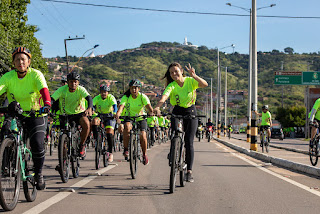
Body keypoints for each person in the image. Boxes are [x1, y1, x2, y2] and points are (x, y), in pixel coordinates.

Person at [0, 47, 51, 190]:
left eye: (23, 59)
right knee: (5, 131)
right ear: (13, 63)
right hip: (16, 113)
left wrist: (47, 104)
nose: (20, 62)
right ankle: (6, 161)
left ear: (28, 61)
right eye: (17, 59)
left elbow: (44, 91)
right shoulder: (8, 77)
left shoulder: (36, 75)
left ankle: (39, 173)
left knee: (37, 143)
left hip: (35, 113)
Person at [154, 62, 208, 182]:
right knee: (175, 134)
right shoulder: (171, 85)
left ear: (181, 71)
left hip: (190, 111)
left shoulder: (190, 81)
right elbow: (164, 97)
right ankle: (173, 151)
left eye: (176, 71)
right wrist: (157, 107)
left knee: (189, 141)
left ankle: (189, 171)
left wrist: (194, 75)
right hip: (177, 111)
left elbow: (204, 84)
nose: (174, 74)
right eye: (171, 73)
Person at [51, 71, 92, 158]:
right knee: (63, 138)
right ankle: (63, 160)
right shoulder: (62, 89)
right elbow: (53, 99)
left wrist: (89, 108)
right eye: (71, 81)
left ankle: (81, 145)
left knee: (87, 125)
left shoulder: (81, 89)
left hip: (79, 114)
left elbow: (89, 98)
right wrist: (48, 106)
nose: (73, 83)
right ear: (68, 82)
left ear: (78, 82)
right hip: (65, 115)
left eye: (75, 82)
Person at [115, 79, 153, 165]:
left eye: (136, 88)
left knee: (143, 135)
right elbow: (121, 107)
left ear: (139, 88)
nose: (134, 90)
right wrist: (118, 114)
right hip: (130, 118)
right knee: (127, 127)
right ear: (130, 88)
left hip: (141, 118)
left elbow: (149, 107)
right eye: (132, 88)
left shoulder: (143, 96)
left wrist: (151, 112)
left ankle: (144, 154)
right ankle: (126, 149)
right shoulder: (126, 97)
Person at [92, 85, 117, 162]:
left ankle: (110, 152)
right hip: (100, 115)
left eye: (105, 92)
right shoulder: (97, 98)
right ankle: (97, 139)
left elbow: (115, 106)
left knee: (109, 133)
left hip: (109, 116)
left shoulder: (111, 97)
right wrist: (92, 110)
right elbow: (92, 105)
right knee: (94, 122)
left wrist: (115, 113)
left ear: (108, 93)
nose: (103, 94)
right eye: (102, 92)